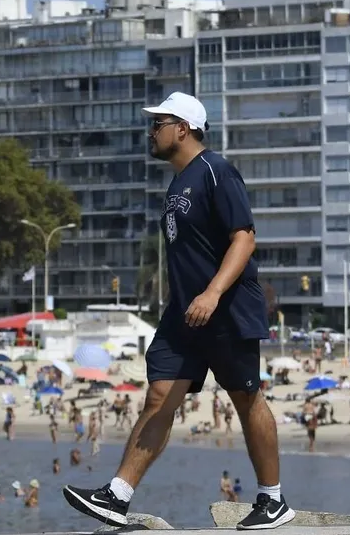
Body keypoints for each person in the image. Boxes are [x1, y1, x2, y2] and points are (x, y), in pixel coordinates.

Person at [63, 93, 294, 531]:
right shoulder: (178, 182)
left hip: (224, 307)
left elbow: (244, 239)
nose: (152, 131)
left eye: (159, 123)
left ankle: (272, 499)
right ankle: (118, 495)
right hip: (185, 315)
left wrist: (211, 293)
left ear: (183, 128)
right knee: (158, 395)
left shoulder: (216, 172)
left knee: (246, 398)